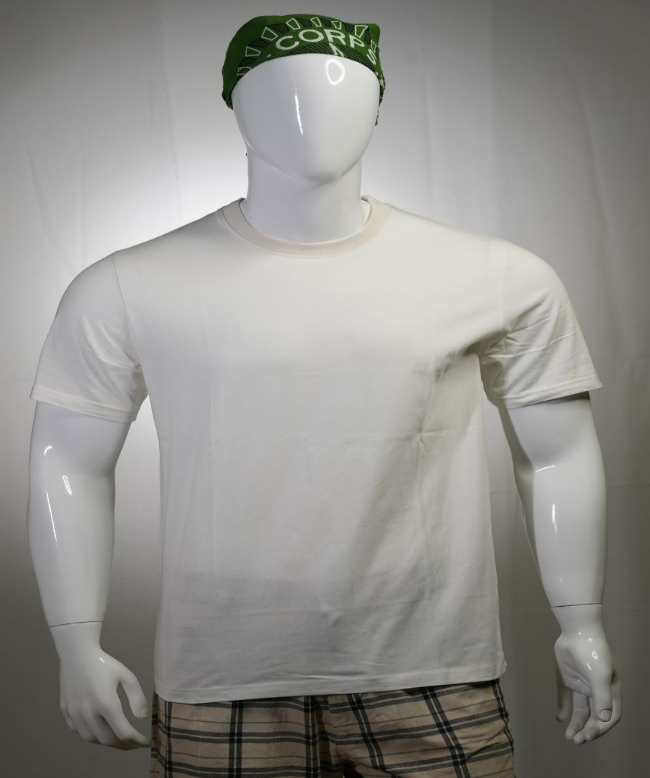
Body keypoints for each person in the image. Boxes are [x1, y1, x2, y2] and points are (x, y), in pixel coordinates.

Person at [27, 13, 620, 777]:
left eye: (346, 88)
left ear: (378, 106)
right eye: (275, 88)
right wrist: (75, 641)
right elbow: (69, 464)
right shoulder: (126, 285)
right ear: (234, 104)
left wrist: (582, 621)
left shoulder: (498, 276)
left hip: (434, 672)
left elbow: (559, 458)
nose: (312, 111)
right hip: (222, 675)